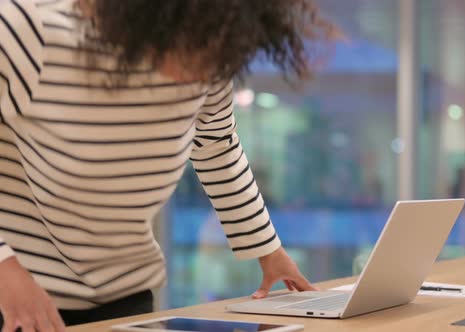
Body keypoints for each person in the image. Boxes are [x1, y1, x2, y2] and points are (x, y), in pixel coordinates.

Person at [0, 0, 335, 330]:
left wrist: (269, 251)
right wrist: (6, 270)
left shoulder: (211, 59)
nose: (200, 77)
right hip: (18, 297)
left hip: (121, 294)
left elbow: (217, 147)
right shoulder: (31, 30)